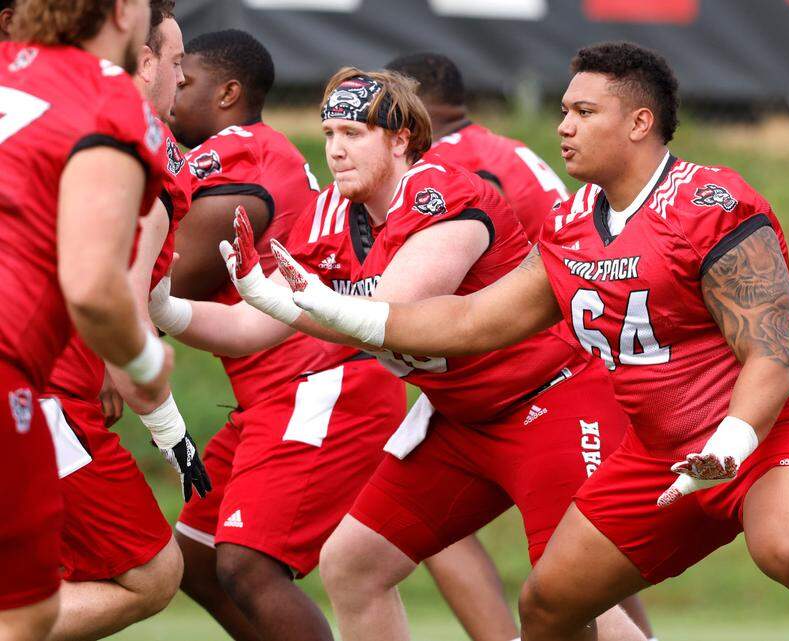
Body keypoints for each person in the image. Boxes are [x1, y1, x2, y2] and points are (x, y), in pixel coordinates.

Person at [281, 43, 789, 641]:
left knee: (788, 546)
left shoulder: (710, 203)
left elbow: (772, 357)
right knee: (549, 605)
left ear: (640, 122)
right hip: (660, 450)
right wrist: (320, 305)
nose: (564, 126)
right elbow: (471, 323)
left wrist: (733, 440)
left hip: (773, 422)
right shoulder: (573, 220)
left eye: (584, 112)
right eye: (563, 111)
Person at [151, 66, 647, 641]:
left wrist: (282, 299)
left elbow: (387, 314)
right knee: (353, 565)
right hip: (458, 419)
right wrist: (164, 304)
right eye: (330, 132)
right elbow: (246, 329)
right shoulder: (333, 214)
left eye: (354, 133)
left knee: (563, 592)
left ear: (400, 138)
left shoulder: (443, 192)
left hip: (545, 402)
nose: (335, 150)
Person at [388, 50, 658, 641]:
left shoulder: (443, 172)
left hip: (538, 368)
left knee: (566, 572)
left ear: (405, 110)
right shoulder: (496, 147)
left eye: (371, 118)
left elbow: (456, 287)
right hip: (551, 349)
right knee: (579, 565)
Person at [160, 30, 405, 641]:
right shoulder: (250, 151)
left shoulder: (237, 148)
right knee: (193, 558)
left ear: (228, 94)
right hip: (276, 386)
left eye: (182, 80)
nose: (169, 92)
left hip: (316, 383)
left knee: (249, 564)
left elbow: (173, 275)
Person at [0, 0, 175, 638]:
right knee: (26, 613)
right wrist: (146, 366)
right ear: (126, 10)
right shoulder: (110, 99)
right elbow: (96, 289)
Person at [37, 2, 211, 638]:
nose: (183, 77)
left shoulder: (43, 105)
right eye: (174, 61)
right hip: (34, 388)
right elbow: (115, 301)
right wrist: (169, 429)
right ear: (143, 61)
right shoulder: (135, 146)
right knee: (151, 570)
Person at [387, 51, 568, 241]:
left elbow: (483, 243)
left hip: (554, 265)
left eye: (385, 101)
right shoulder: (484, 145)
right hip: (570, 258)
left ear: (408, 100)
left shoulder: (451, 161)